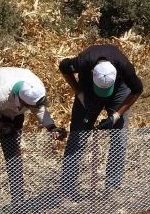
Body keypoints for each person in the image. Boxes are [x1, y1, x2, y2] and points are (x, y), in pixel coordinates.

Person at [0, 67, 67, 214]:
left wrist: (51, 127)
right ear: (20, 100)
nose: (30, 108)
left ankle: (18, 203)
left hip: (11, 112)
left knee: (13, 155)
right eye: (27, 106)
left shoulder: (35, 88)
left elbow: (38, 108)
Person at [57, 43, 143, 199]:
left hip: (118, 91)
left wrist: (116, 116)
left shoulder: (124, 66)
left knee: (119, 137)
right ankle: (67, 189)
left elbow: (137, 90)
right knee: (78, 135)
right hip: (89, 92)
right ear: (92, 73)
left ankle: (112, 187)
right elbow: (63, 67)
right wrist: (80, 93)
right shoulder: (82, 61)